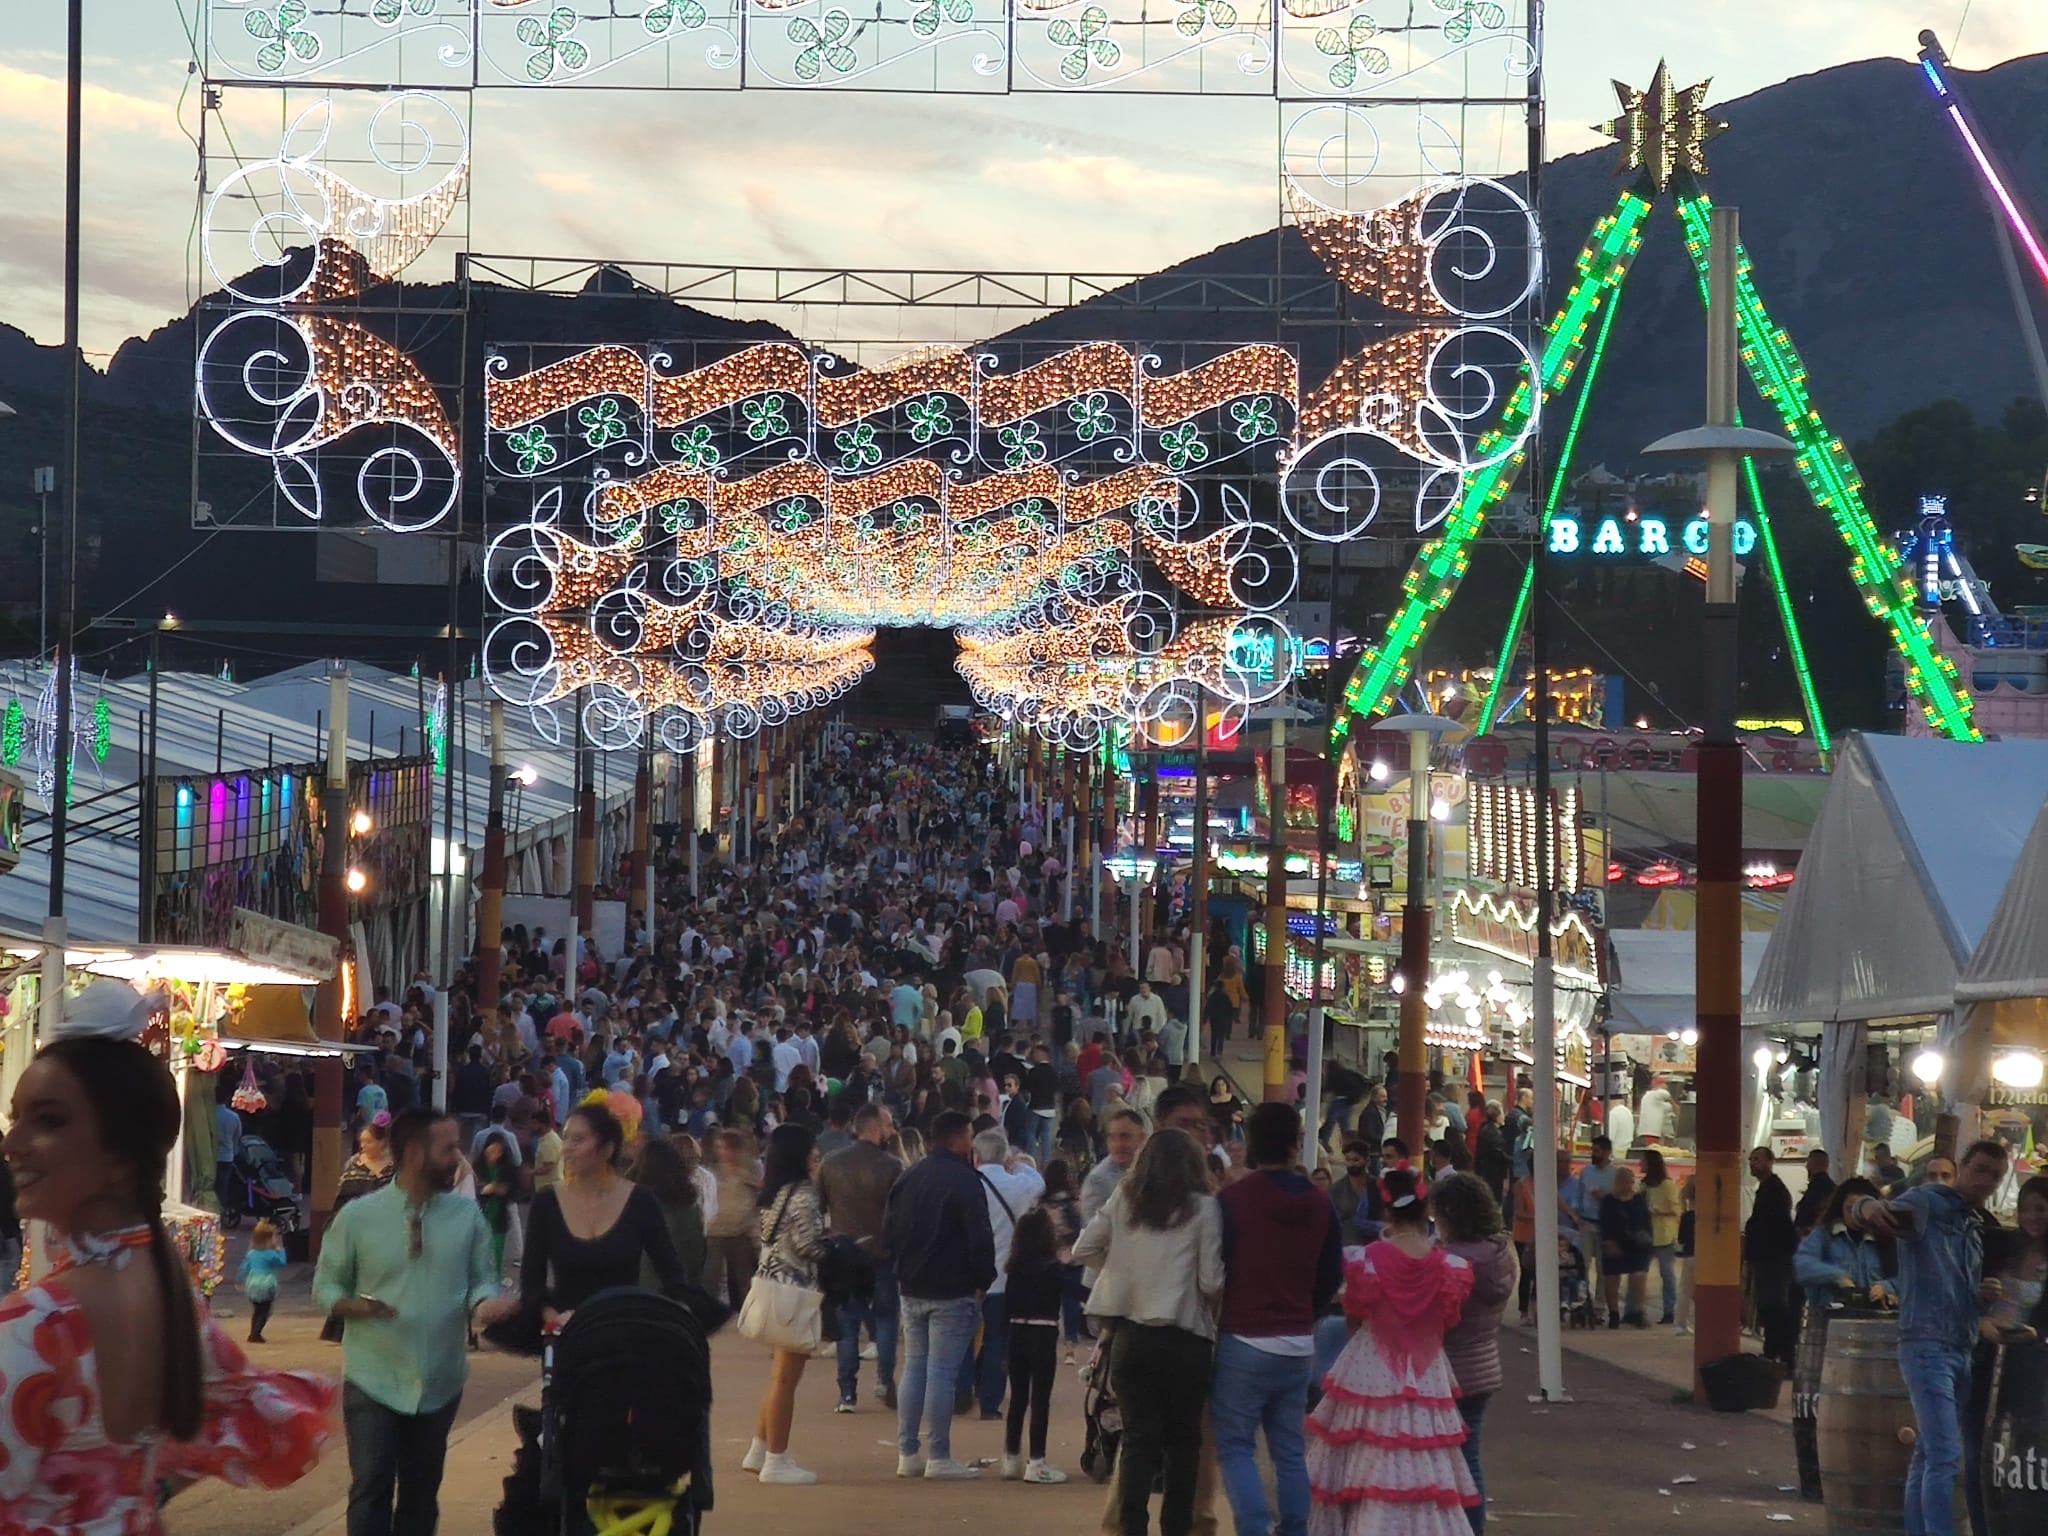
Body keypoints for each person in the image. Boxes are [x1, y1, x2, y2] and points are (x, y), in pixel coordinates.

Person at [0, 1000, 339, 1535]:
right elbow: (211, 1416)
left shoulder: (37, 1326)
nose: (12, 1144)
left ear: (120, 1155)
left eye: (48, 1121)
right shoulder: (166, 1280)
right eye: (17, 1118)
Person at [317, 1106, 519, 1536]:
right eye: (448, 1149)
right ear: (412, 1153)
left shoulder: (467, 1218)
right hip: (373, 1376)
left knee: (420, 1495)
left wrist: (487, 1306)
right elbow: (327, 1287)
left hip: (440, 1382)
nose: (459, 1159)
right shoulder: (358, 1216)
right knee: (370, 1488)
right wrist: (356, 1307)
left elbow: (481, 1280)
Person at [1849, 1138, 2011, 1536]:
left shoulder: (1973, 1227)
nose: (1987, 1182)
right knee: (1944, 1454)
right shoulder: (1927, 1202)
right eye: (1980, 1170)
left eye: (1996, 1176)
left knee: (1928, 1454)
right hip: (1926, 1345)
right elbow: (1865, 1212)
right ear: (1962, 1167)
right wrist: (1866, 1206)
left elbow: (1953, 1288)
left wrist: (1980, 1295)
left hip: (1959, 1345)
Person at [1306, 1165, 1479, 1536]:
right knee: (1423, 1459)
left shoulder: (1362, 1259)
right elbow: (1448, 1323)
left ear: (1387, 1212)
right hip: (1427, 1371)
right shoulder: (1451, 1267)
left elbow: (1355, 1315)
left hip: (1370, 1367)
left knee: (1365, 1454)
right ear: (1425, 1208)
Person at [1075, 1127, 1224, 1536]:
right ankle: (1176, 1528)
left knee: (1138, 1441)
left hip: (1130, 1339)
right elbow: (1212, 1282)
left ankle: (1130, 1528)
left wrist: (1122, 1269)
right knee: (1182, 1444)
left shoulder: (1125, 1200)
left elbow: (1082, 1249)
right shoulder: (1204, 1208)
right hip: (1186, 1342)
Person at [1213, 1104, 1341, 1536]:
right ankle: (1293, 1529)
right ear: (1293, 1141)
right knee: (1288, 1449)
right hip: (1298, 1340)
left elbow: (1216, 1266)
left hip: (1242, 1337)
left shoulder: (1233, 1200)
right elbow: (1331, 1273)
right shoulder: (1320, 1202)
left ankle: (1252, 1528)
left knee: (1235, 1447)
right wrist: (1309, 1308)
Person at [509, 1103, 696, 1336]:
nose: (567, 1148)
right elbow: (532, 1283)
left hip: (626, 1333)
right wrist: (554, 1319)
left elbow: (672, 1275)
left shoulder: (640, 1201)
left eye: (578, 1140)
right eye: (565, 1138)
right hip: (566, 1335)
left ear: (607, 1149)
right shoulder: (546, 1203)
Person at [884, 1109, 996, 1480]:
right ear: (957, 1138)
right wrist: (984, 1279)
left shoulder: (909, 1176)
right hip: (953, 1287)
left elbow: (889, 1233)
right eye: (969, 1135)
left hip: (911, 1284)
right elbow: (980, 1237)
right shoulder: (965, 1180)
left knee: (915, 1366)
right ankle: (939, 1455)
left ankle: (907, 1452)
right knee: (942, 1372)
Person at [1791, 1176, 1894, 1503]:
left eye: (1862, 1208)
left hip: (1871, 1333)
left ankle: (1858, 1476)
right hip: (1826, 1325)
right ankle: (1814, 1480)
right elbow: (1802, 1265)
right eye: (1850, 1207)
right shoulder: (1824, 1237)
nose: (1856, 1214)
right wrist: (1835, 1276)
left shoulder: (1884, 1241)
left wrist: (1890, 1287)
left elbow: (1907, 1275)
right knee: (1815, 1403)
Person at [740, 1124, 830, 1485]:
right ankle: (776, 1459)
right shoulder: (804, 1194)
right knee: (785, 1381)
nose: (816, 1155)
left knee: (779, 1378)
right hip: (797, 1291)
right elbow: (809, 1246)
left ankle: (760, 1448)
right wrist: (837, 1250)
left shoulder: (775, 1193)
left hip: (772, 1286)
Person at [1432, 1172, 1518, 1536]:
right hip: (1483, 1369)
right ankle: (1473, 1528)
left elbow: (1437, 1318)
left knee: (1441, 1462)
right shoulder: (1500, 1256)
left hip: (1448, 1371)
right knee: (1470, 1460)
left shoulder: (1450, 1263)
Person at [817, 1102, 903, 1412]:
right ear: (876, 1129)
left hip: (843, 1252)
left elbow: (819, 1206)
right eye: (889, 1125)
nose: (892, 1131)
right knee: (886, 1319)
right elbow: (900, 1215)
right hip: (881, 1253)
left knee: (848, 1322)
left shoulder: (831, 1162)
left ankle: (847, 1394)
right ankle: (884, 1378)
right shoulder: (893, 1166)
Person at [968, 1127, 1046, 1419]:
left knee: (963, 1338)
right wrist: (1019, 1165)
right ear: (1004, 1156)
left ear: (975, 1155)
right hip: (1004, 1278)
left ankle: (961, 1392)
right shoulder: (1019, 1186)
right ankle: (990, 1403)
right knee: (998, 1342)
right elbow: (1038, 1181)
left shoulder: (967, 1183)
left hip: (969, 1278)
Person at [1001, 1208, 1070, 1484]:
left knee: (1018, 1398)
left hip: (1017, 1331)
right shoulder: (1053, 1269)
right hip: (1043, 1333)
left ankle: (1010, 1456)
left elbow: (1007, 1305)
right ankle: (1037, 1461)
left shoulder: (1013, 1268)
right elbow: (1073, 1293)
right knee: (1041, 1399)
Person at [1746, 1146, 1801, 1370]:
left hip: (1775, 1258)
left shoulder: (1775, 1191)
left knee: (1775, 1305)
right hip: (1770, 1257)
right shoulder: (1768, 1189)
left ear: (1770, 1161)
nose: (1752, 1163)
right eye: (1751, 1159)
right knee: (1771, 1305)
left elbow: (1772, 1226)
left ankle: (1780, 1352)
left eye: (1757, 1159)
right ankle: (1775, 1350)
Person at [632, 1135, 708, 1289]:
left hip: (638, 1296)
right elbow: (696, 1257)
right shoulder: (689, 1209)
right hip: (678, 1296)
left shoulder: (632, 1206)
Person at [704, 1128, 762, 1313]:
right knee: (711, 1279)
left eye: (726, 1147)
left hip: (740, 1232)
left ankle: (747, 1316)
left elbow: (759, 1195)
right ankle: (711, 1315)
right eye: (719, 1147)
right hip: (716, 1231)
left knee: (743, 1280)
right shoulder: (713, 1171)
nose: (722, 1152)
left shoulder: (750, 1170)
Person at [1599, 1165, 1653, 1329]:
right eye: (1625, 1182)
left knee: (1639, 1275)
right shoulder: (1609, 1201)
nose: (1628, 1185)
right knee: (1612, 1278)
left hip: (1637, 1245)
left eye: (1631, 1182)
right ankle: (1614, 1313)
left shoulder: (1639, 1200)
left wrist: (1647, 1240)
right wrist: (1608, 1242)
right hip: (1614, 1242)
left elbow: (1646, 1222)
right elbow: (1604, 1224)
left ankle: (1639, 1311)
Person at [1641, 1149, 1683, 1325]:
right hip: (1645, 1235)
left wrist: (1659, 1211)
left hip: (1664, 1236)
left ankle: (1669, 1310)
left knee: (1667, 1275)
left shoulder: (1667, 1186)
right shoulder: (1643, 1186)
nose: (1640, 1165)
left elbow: (1677, 1210)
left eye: (1643, 1162)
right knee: (1639, 1274)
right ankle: (1636, 1309)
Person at [240, 1217, 289, 1344]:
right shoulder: (270, 1254)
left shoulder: (251, 1253)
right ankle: (256, 1333)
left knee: (256, 1310)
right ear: (268, 1239)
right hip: (266, 1283)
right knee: (265, 1310)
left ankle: (253, 1332)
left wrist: (239, 1280)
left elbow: (244, 1267)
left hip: (252, 1282)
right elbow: (282, 1263)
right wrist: (281, 1250)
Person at [1793, 1148, 1836, 1239]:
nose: (1806, 1166)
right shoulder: (1830, 1187)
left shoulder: (1817, 1188)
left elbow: (1809, 1212)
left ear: (1813, 1163)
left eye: (1808, 1162)